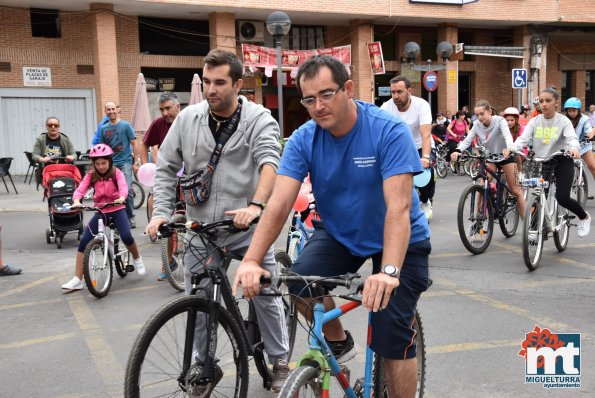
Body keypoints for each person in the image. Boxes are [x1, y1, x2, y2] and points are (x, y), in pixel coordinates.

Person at [232, 54, 431, 398]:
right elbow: (278, 205)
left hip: (399, 239)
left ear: (348, 88)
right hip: (342, 234)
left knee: (392, 333)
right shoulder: (303, 138)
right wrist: (251, 259)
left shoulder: (388, 130)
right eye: (309, 99)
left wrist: (388, 271)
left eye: (326, 94)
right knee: (299, 282)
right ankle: (338, 341)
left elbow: (398, 209)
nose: (318, 106)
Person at [145, 49, 290, 393]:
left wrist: (256, 205)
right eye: (207, 81)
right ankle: (205, 365)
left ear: (238, 84)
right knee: (198, 299)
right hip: (200, 228)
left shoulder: (259, 119)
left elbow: (271, 161)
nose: (211, 89)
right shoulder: (187, 119)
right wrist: (161, 212)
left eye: (220, 82)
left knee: (263, 289)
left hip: (245, 226)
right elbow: (165, 168)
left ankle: (280, 358)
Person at [503, 88, 591, 238]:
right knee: (537, 194)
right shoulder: (535, 121)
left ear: (556, 103)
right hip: (542, 161)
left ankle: (584, 217)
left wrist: (575, 149)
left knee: (562, 197)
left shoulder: (563, 121)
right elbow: (523, 139)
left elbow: (572, 138)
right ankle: (534, 227)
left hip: (562, 160)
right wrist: (511, 148)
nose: (544, 104)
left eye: (548, 101)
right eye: (541, 101)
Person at [61, 144, 145, 291]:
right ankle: (77, 279)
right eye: (97, 163)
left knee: (126, 236)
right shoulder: (91, 175)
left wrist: (122, 197)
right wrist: (76, 200)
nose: (101, 166)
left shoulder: (116, 173)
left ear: (110, 162)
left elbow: (124, 187)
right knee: (84, 241)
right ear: (93, 164)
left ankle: (137, 259)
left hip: (117, 208)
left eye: (104, 163)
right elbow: (80, 189)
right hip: (101, 210)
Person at [452, 101, 526, 220]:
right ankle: (478, 220)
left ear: (489, 111)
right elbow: (468, 139)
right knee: (482, 187)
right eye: (477, 115)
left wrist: (510, 148)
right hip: (490, 158)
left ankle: (528, 227)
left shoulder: (500, 121)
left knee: (516, 191)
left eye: (482, 114)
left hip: (506, 157)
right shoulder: (476, 124)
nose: (480, 117)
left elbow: (507, 135)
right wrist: (458, 150)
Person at [139, 91, 182, 281]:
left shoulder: (188, 121)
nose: (164, 113)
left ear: (177, 106)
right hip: (168, 178)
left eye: (168, 108)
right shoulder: (159, 124)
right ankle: (168, 262)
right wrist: (143, 164)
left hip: (190, 179)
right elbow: (144, 144)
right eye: (162, 109)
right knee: (167, 221)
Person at [381, 75, 435, 220]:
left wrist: (425, 157)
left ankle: (425, 201)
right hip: (400, 148)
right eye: (393, 92)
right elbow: (378, 131)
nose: (395, 96)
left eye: (399, 92)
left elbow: (425, 134)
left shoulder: (421, 105)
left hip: (419, 146)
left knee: (424, 175)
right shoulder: (387, 107)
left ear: (409, 91)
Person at [99, 101, 139, 228]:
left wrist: (136, 161)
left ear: (117, 109)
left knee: (127, 190)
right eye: (108, 110)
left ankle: (130, 217)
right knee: (111, 191)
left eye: (113, 109)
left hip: (125, 162)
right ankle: (116, 217)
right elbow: (103, 147)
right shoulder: (104, 128)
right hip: (111, 164)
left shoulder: (126, 125)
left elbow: (134, 143)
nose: (111, 112)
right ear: (105, 112)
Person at [32, 116, 78, 184]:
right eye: (50, 125)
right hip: (47, 173)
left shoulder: (65, 139)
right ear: (46, 126)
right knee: (50, 192)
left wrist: (72, 157)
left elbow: (74, 154)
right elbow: (34, 155)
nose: (53, 127)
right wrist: (42, 159)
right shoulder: (40, 140)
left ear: (59, 126)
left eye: (56, 125)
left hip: (63, 172)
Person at [564, 97, 595, 181]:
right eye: (569, 111)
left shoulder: (584, 119)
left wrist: (590, 135)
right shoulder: (564, 120)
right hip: (569, 146)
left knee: (593, 166)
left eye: (574, 110)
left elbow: (589, 130)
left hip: (583, 145)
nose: (571, 113)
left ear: (578, 110)